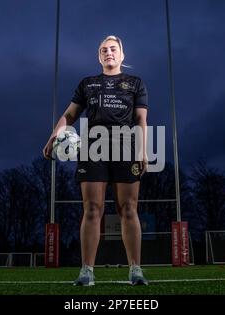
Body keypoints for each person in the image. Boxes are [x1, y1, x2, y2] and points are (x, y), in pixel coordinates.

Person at [43, 35, 149, 286]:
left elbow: (141, 120)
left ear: (122, 55)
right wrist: (53, 136)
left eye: (113, 49)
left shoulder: (135, 83)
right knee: (92, 209)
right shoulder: (87, 83)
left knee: (129, 209)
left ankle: (135, 269)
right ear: (99, 56)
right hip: (93, 148)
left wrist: (143, 151)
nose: (108, 52)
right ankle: (87, 271)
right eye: (103, 50)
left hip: (126, 146)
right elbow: (69, 115)